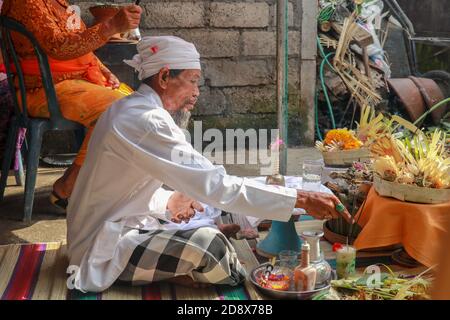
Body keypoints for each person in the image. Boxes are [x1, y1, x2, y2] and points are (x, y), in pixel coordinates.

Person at [67, 36, 352, 292]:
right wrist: (299, 198)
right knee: (212, 246)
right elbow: (215, 184)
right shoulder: (145, 120)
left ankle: (188, 254)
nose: (197, 91)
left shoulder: (133, 108)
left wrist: (168, 200)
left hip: (128, 223)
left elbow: (119, 187)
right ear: (165, 76)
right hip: (103, 248)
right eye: (192, 80)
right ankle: (183, 267)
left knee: (217, 211)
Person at [1, 0, 142, 208]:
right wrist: (110, 27)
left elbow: (81, 46)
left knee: (138, 106)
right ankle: (68, 187)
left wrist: (103, 71)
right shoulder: (27, 3)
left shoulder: (60, 4)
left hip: (72, 84)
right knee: (120, 109)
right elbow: (59, 46)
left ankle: (107, 187)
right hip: (42, 90)